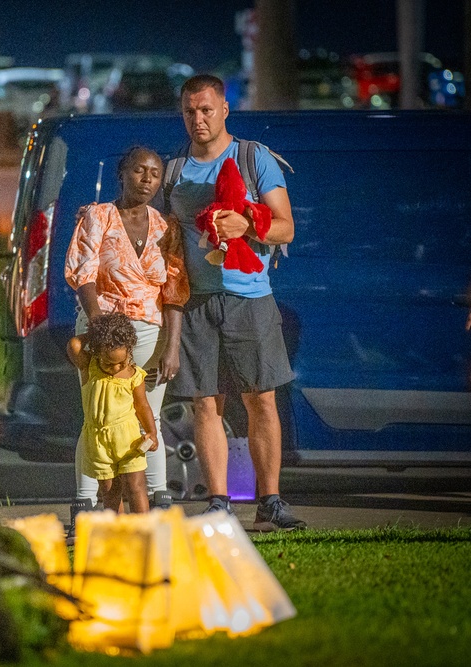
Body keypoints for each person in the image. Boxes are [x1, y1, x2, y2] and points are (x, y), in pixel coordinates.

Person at [165, 73, 306, 531]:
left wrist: (248, 227)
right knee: (206, 404)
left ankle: (270, 499)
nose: (198, 119)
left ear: (225, 109)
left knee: (261, 400)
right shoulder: (173, 170)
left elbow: (286, 227)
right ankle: (220, 501)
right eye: (190, 111)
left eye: (207, 109)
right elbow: (164, 237)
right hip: (195, 303)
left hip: (250, 298)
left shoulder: (252, 158)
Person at [64, 146, 189, 524]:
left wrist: (172, 346)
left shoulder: (167, 228)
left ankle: (156, 500)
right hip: (101, 327)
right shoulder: (97, 216)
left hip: (150, 333)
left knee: (144, 416)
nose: (147, 179)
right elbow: (82, 273)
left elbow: (174, 291)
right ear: (122, 173)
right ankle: (87, 506)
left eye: (155, 173)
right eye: (139, 171)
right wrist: (99, 327)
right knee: (99, 415)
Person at [66, 312, 159, 514]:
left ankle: (142, 532)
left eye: (122, 362)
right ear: (97, 352)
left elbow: (143, 406)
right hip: (99, 442)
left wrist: (152, 432)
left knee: (135, 487)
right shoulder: (88, 367)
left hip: (129, 440)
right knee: (109, 492)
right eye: (108, 363)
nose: (115, 367)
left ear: (130, 352)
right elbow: (74, 345)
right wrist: (97, 334)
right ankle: (117, 533)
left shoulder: (134, 375)